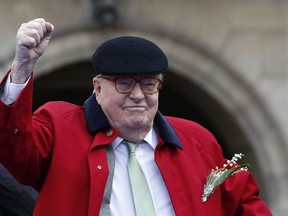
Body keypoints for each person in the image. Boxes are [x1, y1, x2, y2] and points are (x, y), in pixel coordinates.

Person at [0, 18, 272, 216]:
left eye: (149, 84)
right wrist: (23, 66)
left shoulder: (197, 139)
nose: (138, 95)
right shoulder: (60, 125)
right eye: (125, 83)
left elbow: (245, 201)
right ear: (97, 87)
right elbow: (16, 150)